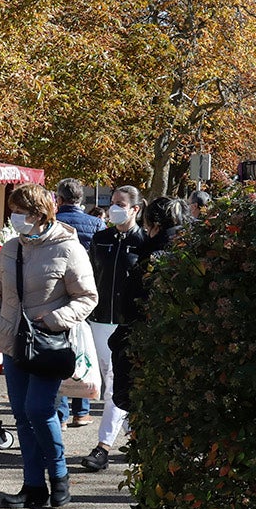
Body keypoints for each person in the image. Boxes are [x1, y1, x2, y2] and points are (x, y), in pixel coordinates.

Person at [0, 184, 98, 509]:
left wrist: (55, 319)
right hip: (12, 341)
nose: (14, 217)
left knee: (39, 409)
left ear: (39, 214)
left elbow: (88, 297)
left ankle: (59, 476)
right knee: (21, 414)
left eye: (20, 212)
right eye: (13, 211)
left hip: (47, 343)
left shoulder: (67, 247)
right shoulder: (9, 248)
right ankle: (32, 485)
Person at [107, 197, 188, 509]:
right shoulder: (191, 254)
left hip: (149, 361)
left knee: (152, 441)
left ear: (153, 224)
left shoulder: (152, 261)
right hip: (179, 362)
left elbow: (131, 311)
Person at [80, 186, 146, 472]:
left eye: (120, 204)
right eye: (112, 203)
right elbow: (90, 276)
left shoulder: (142, 242)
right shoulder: (101, 239)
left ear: (135, 209)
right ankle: (136, 438)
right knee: (112, 385)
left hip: (125, 322)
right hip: (99, 320)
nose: (114, 208)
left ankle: (103, 446)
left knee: (115, 383)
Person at [53, 178, 104, 428]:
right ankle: (81, 410)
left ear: (59, 200)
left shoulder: (53, 224)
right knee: (83, 350)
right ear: (81, 199)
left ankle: (61, 413)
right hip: (85, 295)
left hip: (57, 296)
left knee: (60, 351)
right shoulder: (96, 224)